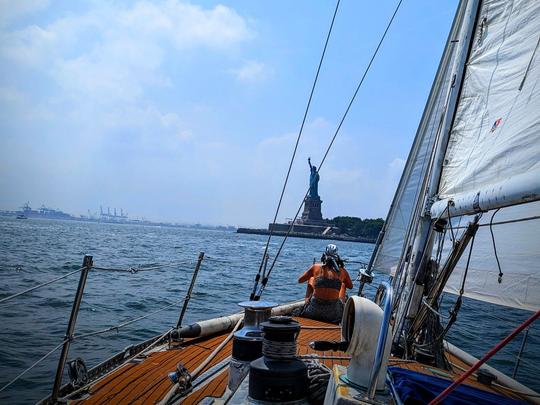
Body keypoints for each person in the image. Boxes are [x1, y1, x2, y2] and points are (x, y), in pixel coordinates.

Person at [297, 244, 353, 323]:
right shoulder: (343, 271)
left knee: (311, 278)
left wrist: (313, 274)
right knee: (343, 285)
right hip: (333, 315)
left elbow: (300, 280)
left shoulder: (315, 267)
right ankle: (342, 306)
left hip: (313, 312)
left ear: (324, 255)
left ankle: (306, 302)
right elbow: (350, 286)